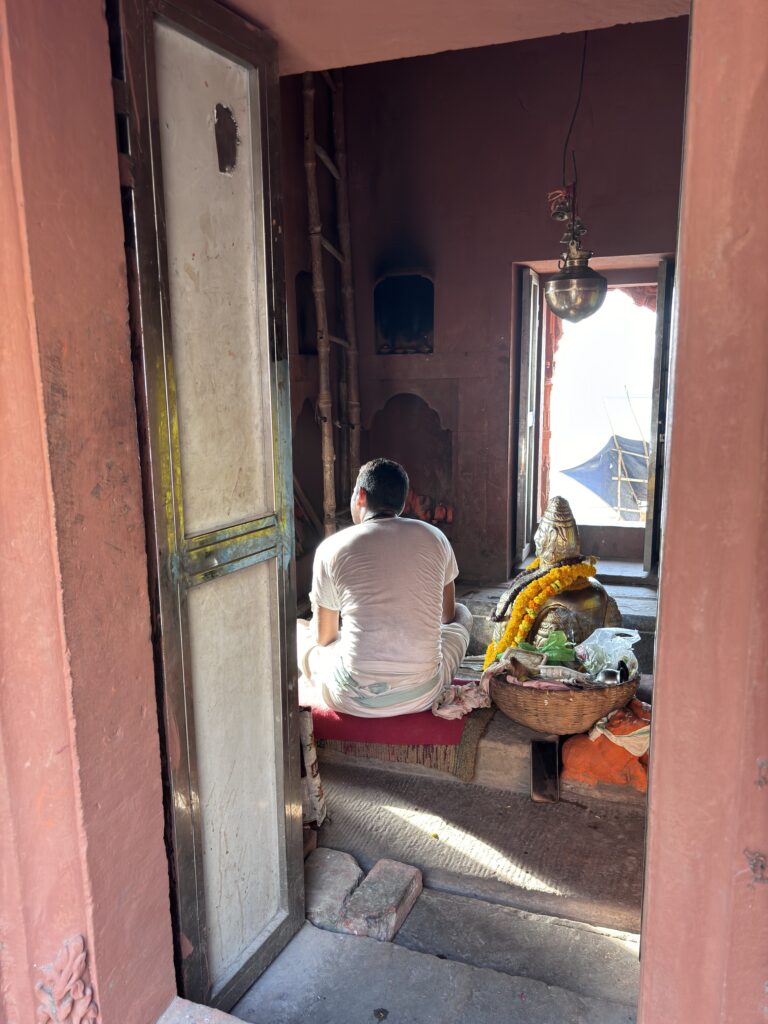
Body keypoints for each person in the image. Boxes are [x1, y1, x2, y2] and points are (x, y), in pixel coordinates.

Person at [298, 458, 472, 718]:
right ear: (402, 503)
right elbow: (446, 617)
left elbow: (325, 638)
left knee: (302, 632)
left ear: (361, 496)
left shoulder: (331, 548)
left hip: (352, 697)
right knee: (463, 614)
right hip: (424, 693)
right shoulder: (435, 537)